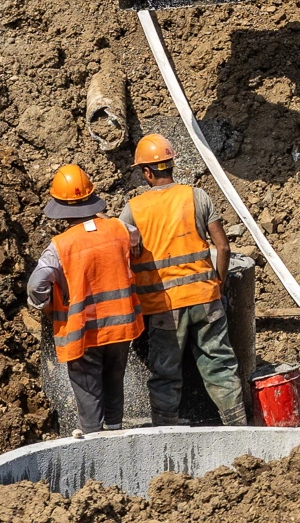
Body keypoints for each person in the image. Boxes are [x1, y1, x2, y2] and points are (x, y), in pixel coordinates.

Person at [122, 134, 246, 425]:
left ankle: (165, 431)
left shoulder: (134, 209)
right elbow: (223, 247)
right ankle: (239, 426)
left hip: (164, 307)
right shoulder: (197, 196)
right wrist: (218, 283)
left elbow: (123, 254)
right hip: (205, 298)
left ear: (147, 172)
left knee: (165, 373)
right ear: (171, 165)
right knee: (220, 365)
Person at [26, 164, 144, 435]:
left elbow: (36, 285)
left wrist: (45, 307)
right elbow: (132, 236)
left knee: (88, 389)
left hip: (84, 330)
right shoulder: (120, 229)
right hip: (121, 325)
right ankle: (115, 433)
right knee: (115, 380)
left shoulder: (60, 246)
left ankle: (93, 441)